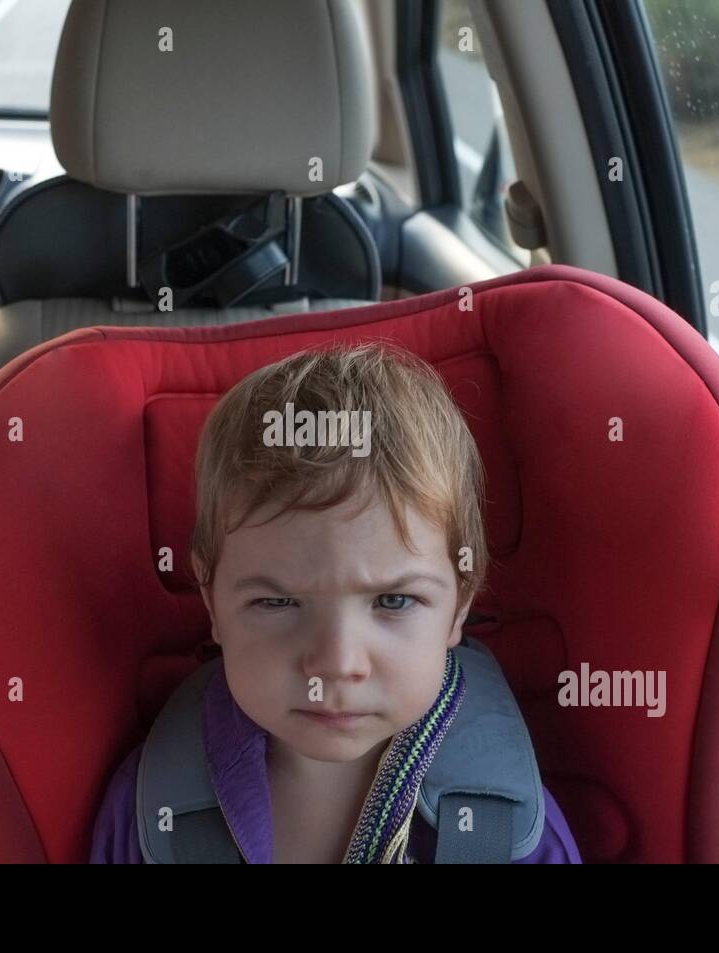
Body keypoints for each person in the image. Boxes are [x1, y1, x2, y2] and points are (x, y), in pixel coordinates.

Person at [91, 343, 581, 863]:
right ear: (211, 599)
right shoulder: (153, 815)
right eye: (277, 602)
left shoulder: (506, 831)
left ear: (459, 604)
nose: (336, 663)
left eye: (394, 600)